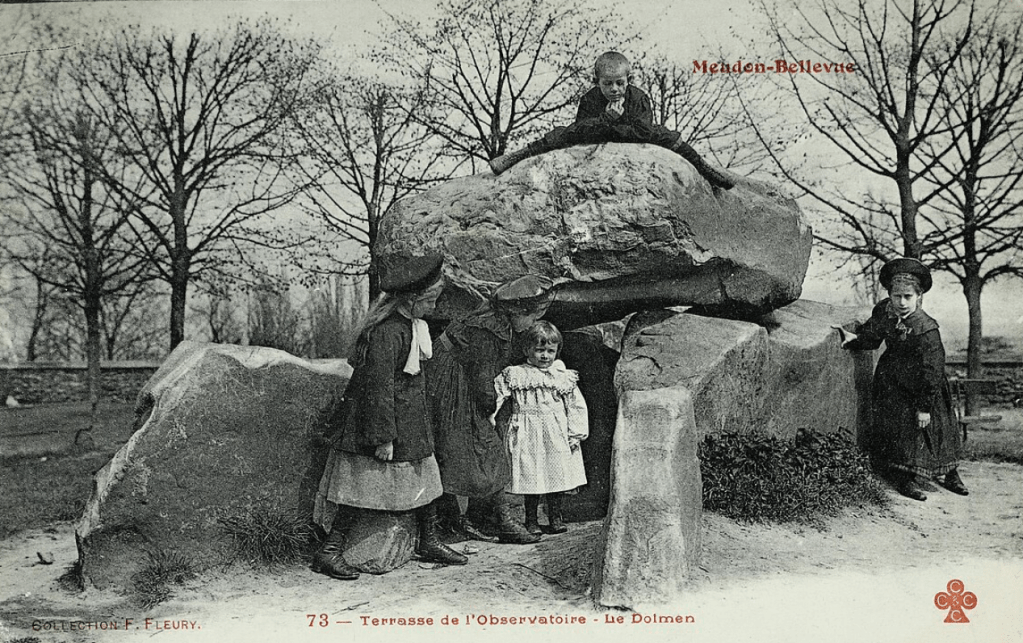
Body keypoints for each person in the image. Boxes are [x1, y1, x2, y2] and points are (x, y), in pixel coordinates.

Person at [312, 254, 467, 581]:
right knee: (362, 487)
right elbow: (378, 387)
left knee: (426, 479)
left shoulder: (413, 326)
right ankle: (329, 550)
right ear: (413, 299)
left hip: (409, 420)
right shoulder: (388, 333)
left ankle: (428, 539)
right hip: (384, 421)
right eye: (431, 299)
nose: (435, 305)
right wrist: (383, 437)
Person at [426, 274, 557, 545]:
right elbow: (482, 377)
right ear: (517, 312)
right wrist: (488, 408)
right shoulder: (489, 329)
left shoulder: (494, 320)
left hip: (455, 375)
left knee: (462, 444)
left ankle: (468, 517)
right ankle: (501, 521)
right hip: (450, 379)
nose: (532, 324)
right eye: (531, 317)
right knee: (484, 443)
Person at [489, 51, 734, 190]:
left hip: (628, 135)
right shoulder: (590, 99)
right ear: (597, 82)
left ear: (629, 81)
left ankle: (705, 169)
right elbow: (581, 129)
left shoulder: (638, 98)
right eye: (607, 84)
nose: (614, 89)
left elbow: (643, 131)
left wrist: (615, 126)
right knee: (562, 133)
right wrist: (605, 120)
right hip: (600, 133)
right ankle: (517, 156)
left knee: (667, 135)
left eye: (620, 83)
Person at [835, 257, 967, 501]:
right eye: (897, 296)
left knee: (935, 428)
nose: (902, 303)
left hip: (925, 386)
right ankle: (905, 478)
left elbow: (932, 369)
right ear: (890, 295)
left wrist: (925, 407)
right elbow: (874, 336)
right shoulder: (885, 311)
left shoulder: (927, 328)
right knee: (901, 429)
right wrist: (855, 339)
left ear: (919, 296)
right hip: (894, 383)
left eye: (908, 297)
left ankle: (951, 474)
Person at [493, 321, 588, 535]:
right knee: (531, 474)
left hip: (555, 431)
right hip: (528, 431)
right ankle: (531, 520)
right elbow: (497, 396)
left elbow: (576, 405)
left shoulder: (561, 375)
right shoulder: (516, 374)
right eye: (539, 350)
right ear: (527, 350)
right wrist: (490, 415)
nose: (545, 356)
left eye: (550, 351)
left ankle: (555, 516)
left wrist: (576, 433)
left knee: (556, 473)